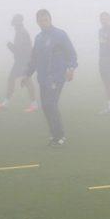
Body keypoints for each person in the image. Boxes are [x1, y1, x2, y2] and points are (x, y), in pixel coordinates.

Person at [21, 9, 78, 147]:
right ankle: (54, 134)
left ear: (50, 20)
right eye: (40, 20)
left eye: (45, 19)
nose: (43, 22)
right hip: (43, 78)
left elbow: (72, 54)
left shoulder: (60, 35)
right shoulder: (39, 38)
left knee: (51, 105)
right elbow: (34, 59)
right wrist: (27, 74)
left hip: (57, 76)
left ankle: (60, 136)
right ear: (37, 22)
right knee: (46, 107)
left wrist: (71, 69)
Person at [0, 14, 38, 112]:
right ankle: (7, 103)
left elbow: (20, 50)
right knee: (21, 80)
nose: (14, 25)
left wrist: (9, 45)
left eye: (15, 23)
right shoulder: (20, 32)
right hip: (23, 60)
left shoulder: (21, 33)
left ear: (18, 23)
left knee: (23, 80)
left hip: (23, 61)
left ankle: (32, 104)